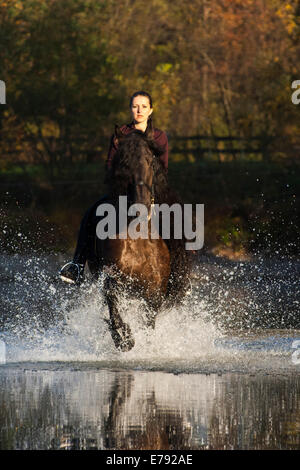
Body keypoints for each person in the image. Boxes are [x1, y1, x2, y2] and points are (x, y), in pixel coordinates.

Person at [59, 91, 169, 285]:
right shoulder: (121, 135)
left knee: (181, 222)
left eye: (144, 106)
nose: (139, 110)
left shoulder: (159, 137)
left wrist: (152, 189)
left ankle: (179, 272)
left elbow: (163, 167)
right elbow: (110, 165)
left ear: (151, 110)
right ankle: (76, 265)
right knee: (91, 214)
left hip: (151, 191)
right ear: (130, 109)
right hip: (124, 192)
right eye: (135, 106)